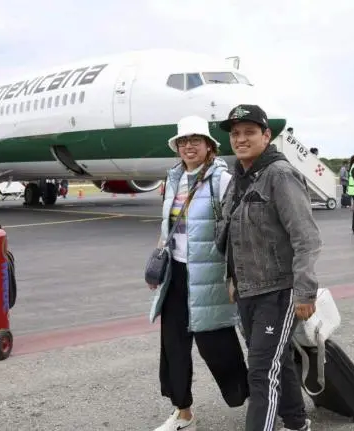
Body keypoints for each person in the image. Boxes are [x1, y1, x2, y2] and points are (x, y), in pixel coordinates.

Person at [215, 104, 321, 431]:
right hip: (248, 289)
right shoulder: (239, 177)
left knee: (262, 372)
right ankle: (297, 423)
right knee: (277, 359)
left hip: (279, 290)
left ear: (266, 135)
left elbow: (306, 238)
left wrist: (305, 292)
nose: (240, 139)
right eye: (235, 133)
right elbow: (233, 232)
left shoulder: (280, 175)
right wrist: (232, 278)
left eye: (249, 132)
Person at [149, 115, 249, 431]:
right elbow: (169, 225)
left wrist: (234, 276)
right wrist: (159, 260)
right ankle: (183, 413)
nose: (188, 146)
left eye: (195, 140)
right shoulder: (174, 179)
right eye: (183, 141)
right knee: (174, 346)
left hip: (209, 276)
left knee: (217, 346)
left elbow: (235, 231)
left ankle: (254, 399)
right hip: (175, 275)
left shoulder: (222, 180)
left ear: (209, 146)